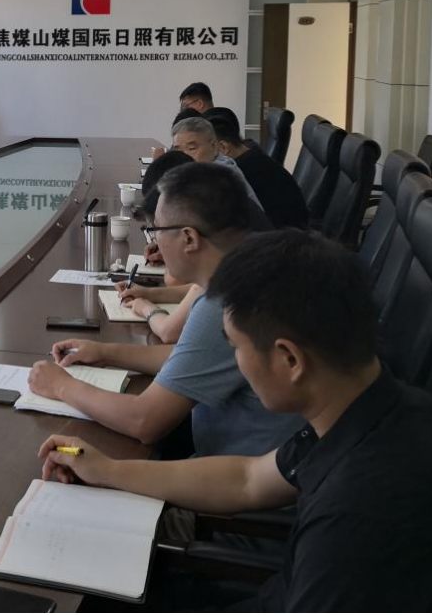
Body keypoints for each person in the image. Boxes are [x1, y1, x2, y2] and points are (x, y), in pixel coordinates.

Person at [39, 230, 432, 612]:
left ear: (290, 359)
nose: (235, 362)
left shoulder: (357, 515)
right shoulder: (376, 408)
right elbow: (248, 478)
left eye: (235, 347)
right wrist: (109, 471)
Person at [29, 162, 301, 455]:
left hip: (236, 472)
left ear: (189, 238)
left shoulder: (225, 301)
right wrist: (105, 352)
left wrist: (61, 386)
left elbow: (144, 421)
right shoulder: (257, 263)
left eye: (155, 229)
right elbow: (195, 354)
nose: (154, 240)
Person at [205, 107, 309, 230]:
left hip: (282, 235)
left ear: (223, 147)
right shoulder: (252, 155)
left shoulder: (240, 171)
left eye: (194, 148)